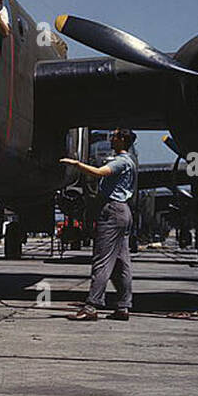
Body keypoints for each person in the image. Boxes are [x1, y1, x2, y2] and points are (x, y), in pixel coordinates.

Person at [60, 128, 137, 321]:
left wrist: (76, 163)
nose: (111, 138)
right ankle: (123, 307)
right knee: (121, 262)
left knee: (102, 260)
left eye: (114, 135)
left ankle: (92, 306)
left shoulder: (120, 162)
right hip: (123, 211)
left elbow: (99, 172)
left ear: (121, 140)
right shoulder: (130, 162)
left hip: (111, 211)